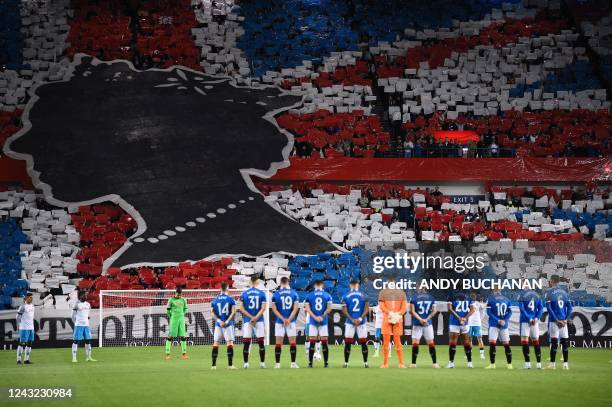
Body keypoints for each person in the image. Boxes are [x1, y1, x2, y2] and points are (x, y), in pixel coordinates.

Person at [271, 277, 300, 369]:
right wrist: (289, 319)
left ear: (280, 283)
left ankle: (277, 364)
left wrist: (283, 319)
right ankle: (293, 363)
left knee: (278, 343)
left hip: (280, 322)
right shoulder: (294, 293)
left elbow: (274, 309)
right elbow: (295, 308)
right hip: (291, 322)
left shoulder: (276, 294)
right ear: (288, 282)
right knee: (293, 342)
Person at [239, 275, 267, 369]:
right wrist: (255, 317)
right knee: (261, 342)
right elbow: (263, 308)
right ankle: (262, 363)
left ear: (250, 282)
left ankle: (246, 363)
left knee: (246, 342)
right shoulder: (262, 293)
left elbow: (241, 308)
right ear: (257, 282)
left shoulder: (244, 293)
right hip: (259, 320)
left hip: (248, 320)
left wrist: (251, 317)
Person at [378, 279, 407, 368]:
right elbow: (381, 306)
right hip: (387, 318)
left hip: (397, 319)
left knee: (398, 342)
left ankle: (401, 363)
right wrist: (390, 312)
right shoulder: (382, 293)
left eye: (392, 284)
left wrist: (399, 313)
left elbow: (404, 307)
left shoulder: (402, 293)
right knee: (386, 342)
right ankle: (385, 363)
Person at [341, 280, 370, 368]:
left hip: (350, 322)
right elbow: (367, 309)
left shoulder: (345, 296)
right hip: (361, 322)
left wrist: (352, 319)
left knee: (348, 342)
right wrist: (360, 318)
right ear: (358, 285)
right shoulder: (364, 295)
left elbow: (344, 310)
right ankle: (365, 363)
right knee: (363, 342)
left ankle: (346, 363)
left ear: (350, 285)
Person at [305, 280, 333, 368]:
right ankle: (326, 363)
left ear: (314, 286)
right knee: (324, 342)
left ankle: (310, 364)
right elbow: (329, 308)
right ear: (322, 286)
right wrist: (322, 316)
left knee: (312, 342)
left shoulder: (309, 295)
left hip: (313, 321)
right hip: (323, 321)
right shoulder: (327, 295)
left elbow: (307, 309)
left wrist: (314, 317)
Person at [545, 283, 573, 370]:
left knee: (554, 343)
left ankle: (552, 365)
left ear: (552, 281)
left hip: (554, 322)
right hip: (564, 322)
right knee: (564, 343)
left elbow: (549, 308)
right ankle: (565, 365)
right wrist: (565, 319)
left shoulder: (549, 292)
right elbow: (570, 307)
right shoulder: (565, 293)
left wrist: (556, 320)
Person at [409, 287, 439, 368]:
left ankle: (413, 364)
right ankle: (435, 363)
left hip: (417, 323)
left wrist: (420, 319)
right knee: (431, 343)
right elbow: (434, 311)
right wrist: (426, 319)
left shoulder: (414, 297)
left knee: (415, 343)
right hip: (428, 323)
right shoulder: (431, 297)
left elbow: (412, 311)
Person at [210, 282, 237, 370]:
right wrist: (227, 321)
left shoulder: (215, 300)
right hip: (228, 325)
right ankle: (230, 365)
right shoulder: (231, 299)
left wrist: (219, 321)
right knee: (229, 343)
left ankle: (213, 365)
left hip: (218, 325)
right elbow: (233, 312)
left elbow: (212, 313)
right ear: (227, 289)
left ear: (220, 289)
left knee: (216, 343)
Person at [485, 290, 513, 370]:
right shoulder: (507, 299)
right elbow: (510, 312)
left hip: (494, 324)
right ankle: (509, 365)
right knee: (506, 344)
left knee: (492, 344)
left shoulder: (490, 299)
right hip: (504, 325)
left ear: (494, 290)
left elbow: (489, 312)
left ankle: (492, 364)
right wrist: (505, 320)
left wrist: (498, 320)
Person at [447, 291, 475, 368]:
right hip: (464, 323)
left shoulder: (451, 294)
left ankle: (451, 363)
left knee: (453, 342)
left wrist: (459, 318)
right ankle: (470, 363)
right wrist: (465, 318)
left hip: (454, 322)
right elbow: (473, 309)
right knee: (466, 342)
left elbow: (449, 308)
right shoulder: (468, 296)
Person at [519, 290, 544, 369]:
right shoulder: (537, 296)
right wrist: (536, 318)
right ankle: (539, 364)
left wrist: (529, 318)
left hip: (525, 321)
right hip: (534, 321)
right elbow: (540, 309)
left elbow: (522, 309)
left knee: (525, 341)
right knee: (536, 341)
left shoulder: (522, 295)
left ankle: (527, 364)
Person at [72, 291, 96, 363]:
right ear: (80, 296)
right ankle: (74, 358)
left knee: (88, 341)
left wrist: (87, 317)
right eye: (84, 295)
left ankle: (88, 357)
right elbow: (72, 315)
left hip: (86, 325)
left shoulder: (88, 304)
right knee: (76, 341)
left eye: (86, 295)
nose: (85, 296)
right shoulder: (77, 304)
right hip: (79, 325)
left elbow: (87, 314)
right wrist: (75, 323)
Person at [16, 293, 35, 364]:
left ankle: (26, 359)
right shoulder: (23, 307)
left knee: (29, 343)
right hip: (24, 328)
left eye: (32, 297)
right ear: (26, 298)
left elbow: (31, 317)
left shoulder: (32, 306)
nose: (31, 298)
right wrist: (19, 326)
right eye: (30, 297)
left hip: (31, 328)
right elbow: (17, 317)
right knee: (22, 343)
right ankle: (18, 359)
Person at [468, 293, 486, 360]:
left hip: (477, 323)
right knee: (469, 339)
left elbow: (483, 308)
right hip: (469, 323)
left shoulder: (478, 303)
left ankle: (481, 354)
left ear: (475, 297)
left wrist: (482, 301)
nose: (472, 297)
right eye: (472, 296)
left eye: (474, 296)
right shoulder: (468, 303)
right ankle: (469, 353)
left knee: (479, 339)